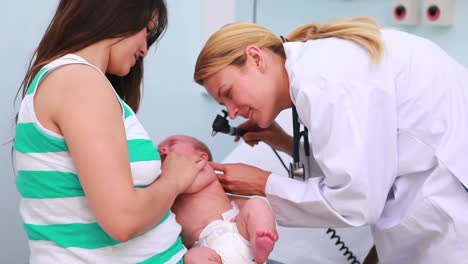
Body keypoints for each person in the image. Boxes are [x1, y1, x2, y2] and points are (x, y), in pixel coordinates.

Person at [192, 16, 468, 264]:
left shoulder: (323, 81)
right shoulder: (319, 64)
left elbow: (356, 202)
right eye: (222, 104)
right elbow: (358, 159)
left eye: (228, 93)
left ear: (255, 58)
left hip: (450, 212)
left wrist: (263, 183)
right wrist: (286, 143)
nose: (231, 112)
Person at [13, 1, 207, 263]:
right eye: (146, 31)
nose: (144, 49)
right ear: (116, 14)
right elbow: (123, 220)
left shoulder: (76, 81)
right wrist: (174, 179)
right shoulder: (78, 81)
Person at [157, 135, 278, 264]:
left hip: (238, 234)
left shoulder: (202, 170)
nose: (162, 149)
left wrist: (253, 219)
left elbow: (184, 184)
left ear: (202, 157)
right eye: (158, 150)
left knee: (256, 203)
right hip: (207, 248)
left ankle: (260, 242)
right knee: (192, 257)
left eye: (172, 143)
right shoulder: (168, 187)